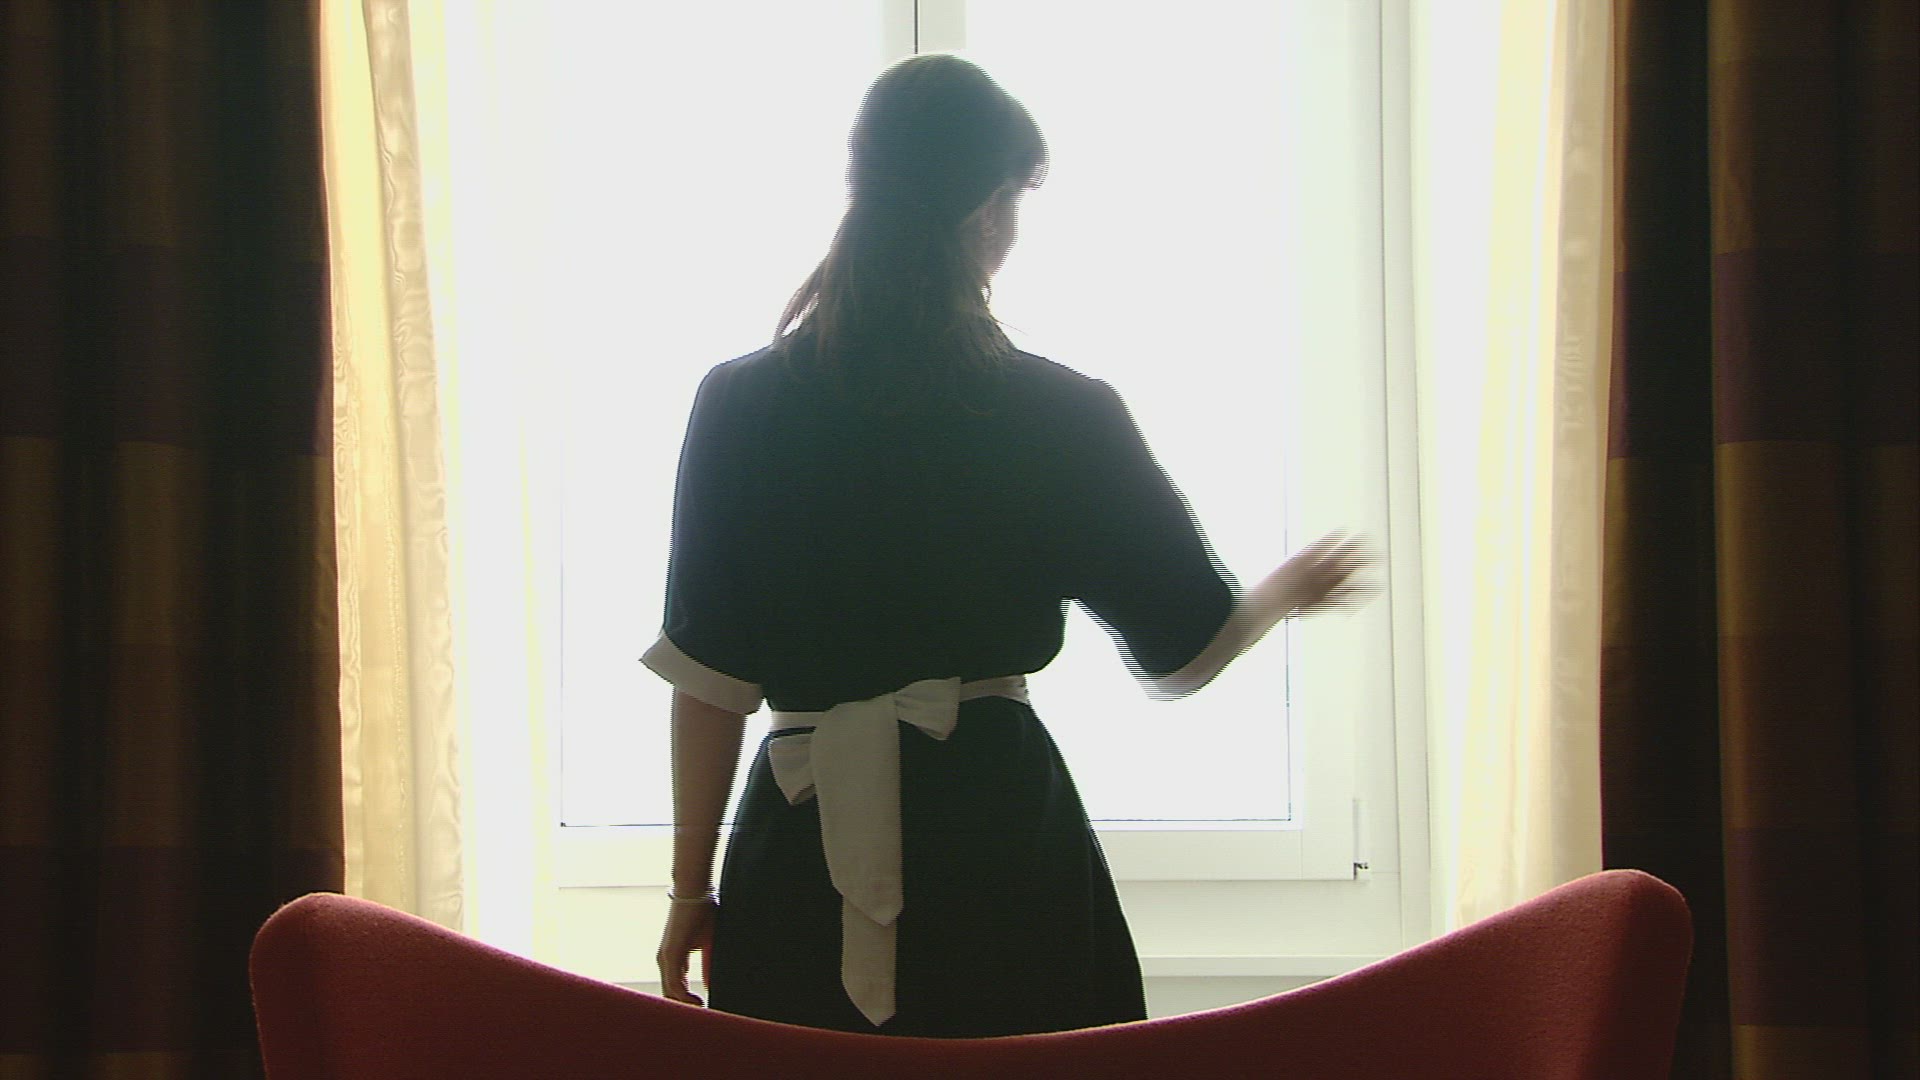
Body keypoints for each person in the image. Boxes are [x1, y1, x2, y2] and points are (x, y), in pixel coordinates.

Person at [644, 53, 1375, 1038]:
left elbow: (708, 682)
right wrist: (1283, 591)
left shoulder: (737, 404)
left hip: (795, 852)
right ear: (989, 210)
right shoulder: (1059, 411)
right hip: (1000, 849)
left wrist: (690, 892)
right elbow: (1186, 650)